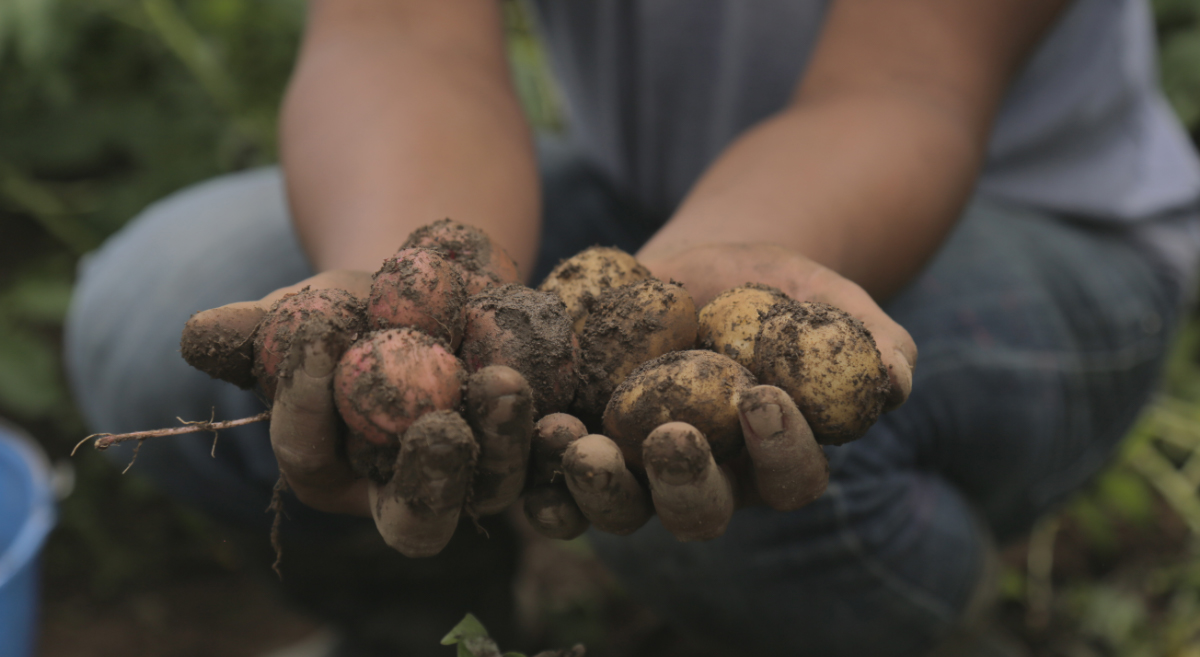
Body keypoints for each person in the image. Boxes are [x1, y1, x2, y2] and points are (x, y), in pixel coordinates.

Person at [65, 1, 1200, 655]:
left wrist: (696, 291)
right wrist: (413, 280)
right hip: (640, 196)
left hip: (1022, 217)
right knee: (158, 298)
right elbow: (401, 39)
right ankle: (425, 621)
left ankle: (900, 618)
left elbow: (907, 86)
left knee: (753, 461)